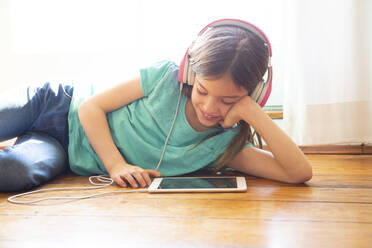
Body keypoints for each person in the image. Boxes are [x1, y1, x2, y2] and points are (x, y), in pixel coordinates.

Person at [0, 19, 312, 192]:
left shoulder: (225, 146)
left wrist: (254, 114)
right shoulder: (165, 77)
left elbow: (299, 172)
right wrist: (117, 166)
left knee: (12, 173)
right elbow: (91, 107)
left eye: (229, 100)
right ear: (190, 73)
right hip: (56, 103)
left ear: (254, 95)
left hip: (62, 149)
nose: (210, 107)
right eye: (203, 90)